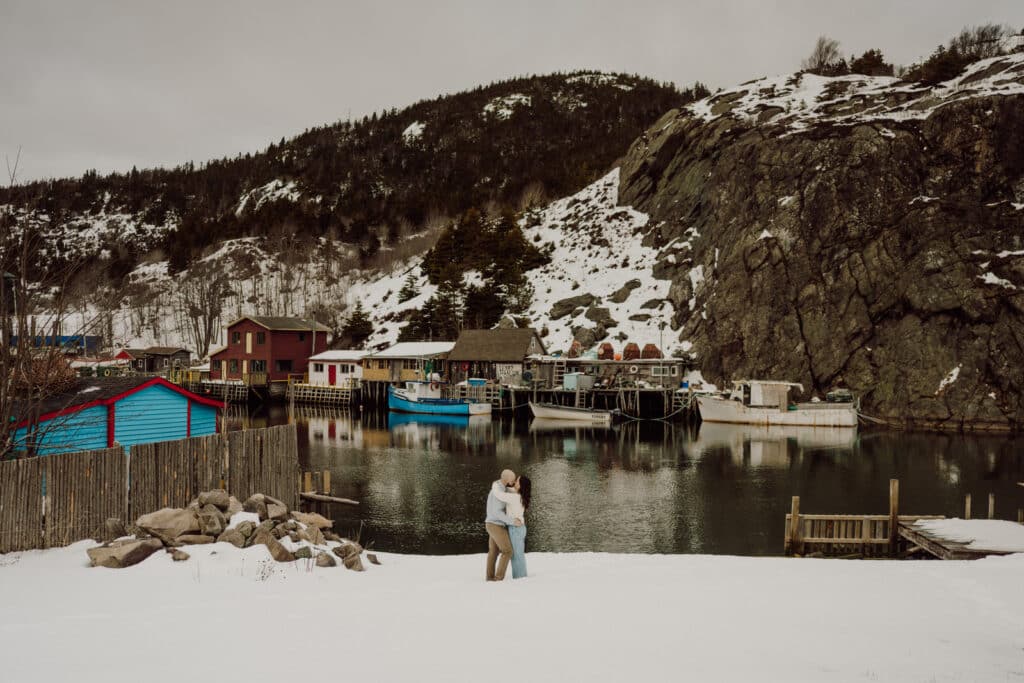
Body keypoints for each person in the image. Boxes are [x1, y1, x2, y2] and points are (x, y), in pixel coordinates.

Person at [490, 475, 531, 579]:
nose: (515, 482)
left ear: (521, 485)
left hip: (515, 529)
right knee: (519, 555)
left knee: (516, 556)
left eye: (517, 481)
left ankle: (520, 578)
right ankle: (521, 577)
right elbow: (510, 490)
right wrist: (505, 483)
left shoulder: (514, 498)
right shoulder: (519, 496)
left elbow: (498, 494)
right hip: (520, 528)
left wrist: (495, 484)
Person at [485, 469, 521, 581]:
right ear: (508, 479)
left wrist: (516, 490)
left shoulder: (500, 488)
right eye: (513, 479)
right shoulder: (498, 491)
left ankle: (490, 578)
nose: (514, 481)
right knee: (507, 551)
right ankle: (498, 578)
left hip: (491, 524)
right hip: (495, 525)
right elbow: (497, 512)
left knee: (494, 552)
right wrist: (512, 521)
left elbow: (510, 493)